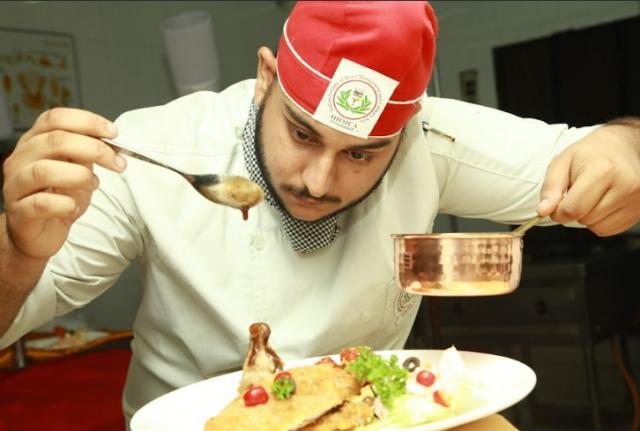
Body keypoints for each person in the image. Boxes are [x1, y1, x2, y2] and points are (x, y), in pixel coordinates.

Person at [1, 0, 639, 425]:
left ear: (407, 128)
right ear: (265, 77)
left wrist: (624, 146)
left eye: (362, 154)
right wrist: (17, 248)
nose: (318, 181)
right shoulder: (148, 151)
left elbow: (589, 152)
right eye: (302, 134)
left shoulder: (431, 138)